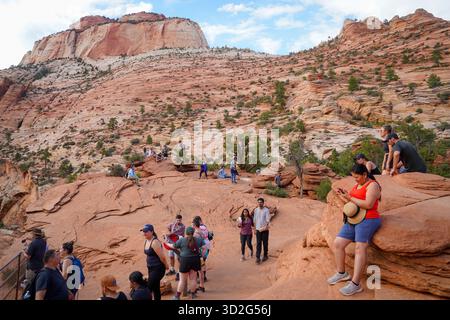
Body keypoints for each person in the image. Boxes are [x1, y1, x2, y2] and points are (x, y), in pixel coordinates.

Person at [329, 164, 382, 296]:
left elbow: (369, 204)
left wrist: (350, 197)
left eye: (357, 177)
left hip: (368, 219)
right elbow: (353, 203)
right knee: (338, 244)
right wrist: (343, 195)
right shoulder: (357, 185)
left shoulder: (373, 185)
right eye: (354, 177)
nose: (355, 180)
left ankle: (355, 284)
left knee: (360, 247)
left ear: (365, 174)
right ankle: (342, 273)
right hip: (353, 219)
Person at [166, 227, 205, 300]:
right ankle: (193, 295)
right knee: (193, 279)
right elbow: (204, 247)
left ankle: (177, 296)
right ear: (193, 233)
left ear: (185, 233)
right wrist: (201, 254)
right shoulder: (198, 240)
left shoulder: (182, 240)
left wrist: (166, 243)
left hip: (185, 260)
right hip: (195, 259)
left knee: (182, 280)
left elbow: (173, 246)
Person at [141, 224, 169, 300]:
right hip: (150, 268)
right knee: (155, 288)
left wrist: (166, 265)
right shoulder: (146, 241)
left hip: (158, 268)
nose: (144, 233)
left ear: (152, 232)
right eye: (143, 231)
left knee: (148, 288)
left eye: (146, 231)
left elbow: (162, 257)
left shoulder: (155, 242)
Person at [192, 216, 211, 292]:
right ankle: (203, 281)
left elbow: (196, 242)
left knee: (198, 268)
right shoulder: (204, 227)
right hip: (206, 246)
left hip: (200, 250)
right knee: (203, 264)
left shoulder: (197, 232)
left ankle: (200, 283)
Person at [253, 198, 271, 264]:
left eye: (261, 202)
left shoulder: (266, 210)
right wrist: (254, 229)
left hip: (265, 230)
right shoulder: (256, 210)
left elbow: (267, 220)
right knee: (258, 243)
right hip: (258, 230)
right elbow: (254, 220)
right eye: (258, 202)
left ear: (263, 203)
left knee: (265, 243)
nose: (259, 203)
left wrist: (264, 227)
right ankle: (258, 257)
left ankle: (265, 255)